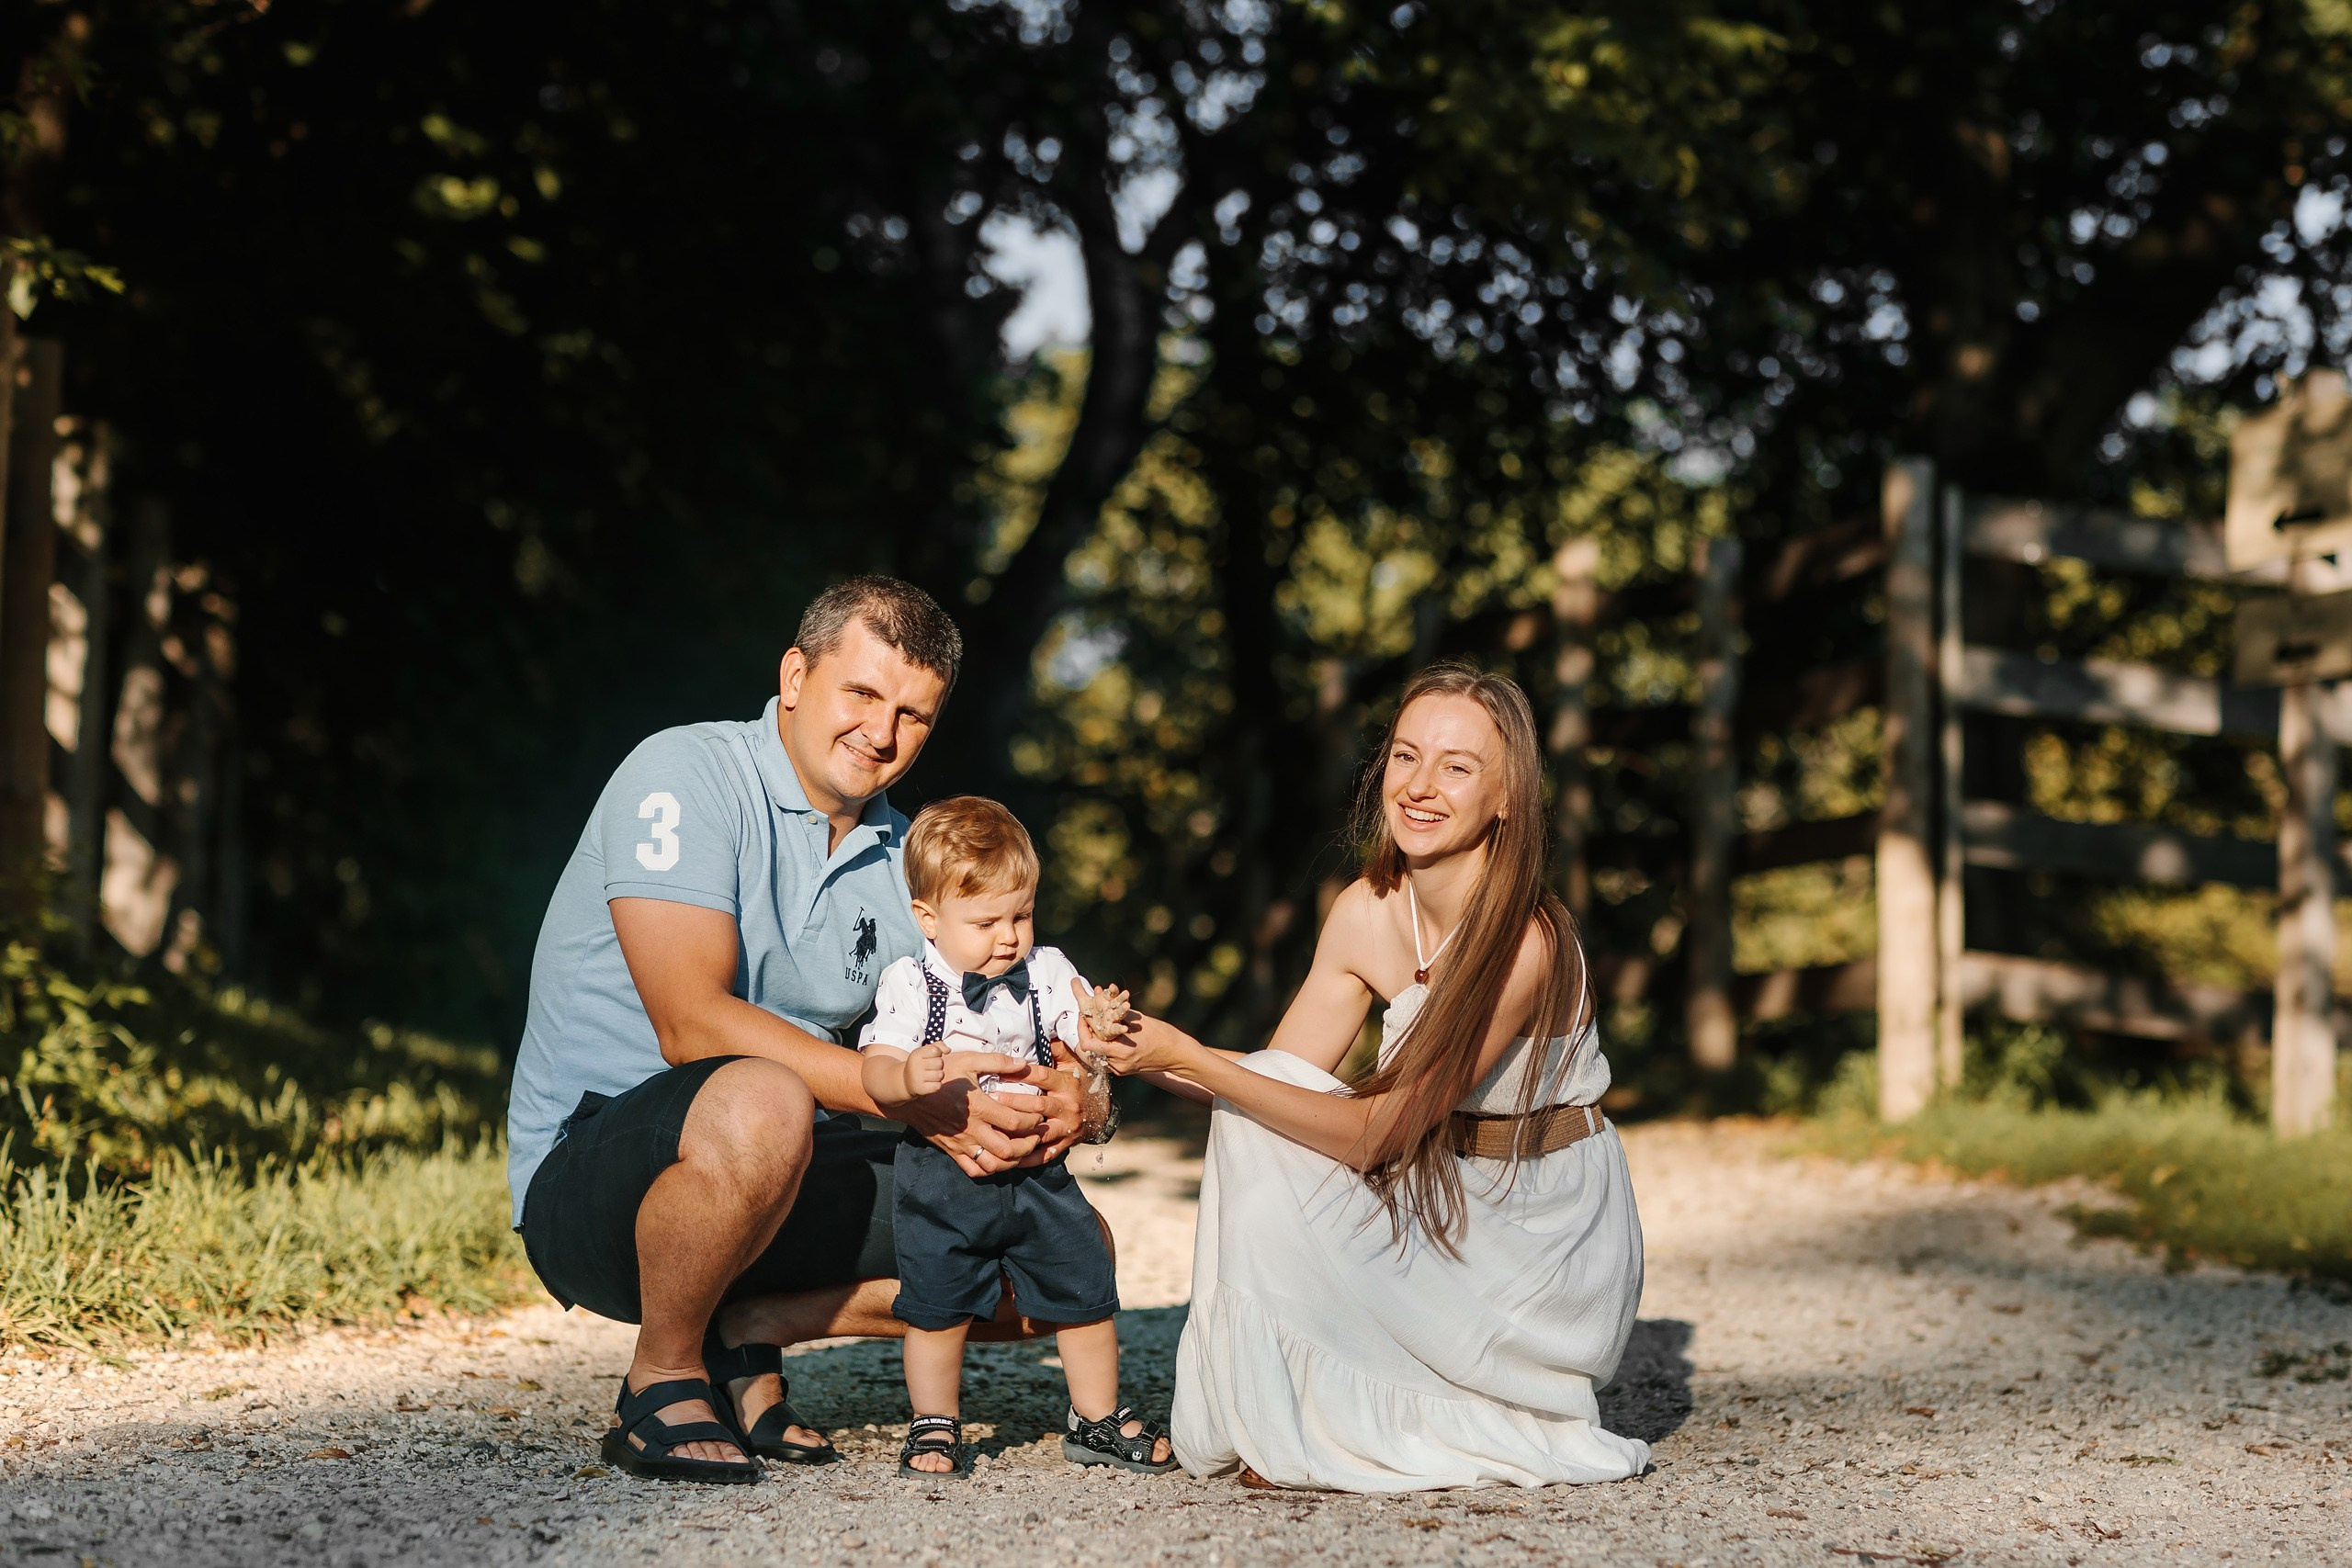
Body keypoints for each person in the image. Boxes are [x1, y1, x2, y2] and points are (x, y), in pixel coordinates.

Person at [504, 576, 1098, 1484]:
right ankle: (665, 1373)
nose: (882, 733)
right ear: (794, 675)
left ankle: (753, 1328)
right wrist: (903, 1094)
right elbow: (689, 1022)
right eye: (861, 693)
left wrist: (1072, 1098)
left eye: (913, 714)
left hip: (778, 1174)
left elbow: (1017, 1012)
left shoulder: (907, 862)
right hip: (600, 1180)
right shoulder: (684, 774)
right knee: (763, 1095)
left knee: (1058, 1248)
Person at [1094, 662, 1650, 1492]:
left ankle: (1355, 1420)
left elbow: (1380, 1134)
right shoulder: (1366, 909)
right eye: (1405, 756)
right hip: (1444, 1188)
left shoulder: (1524, 941)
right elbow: (1274, 1077)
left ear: (1507, 798)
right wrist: (1130, 1045)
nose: (1420, 787)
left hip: (1540, 1233)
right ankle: (1284, 1409)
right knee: (1259, 1114)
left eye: (1457, 767)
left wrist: (1188, 1053)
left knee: (1269, 1110)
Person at [858, 795, 1177, 1478]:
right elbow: (876, 1068)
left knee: (1083, 1283)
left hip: (1037, 1167)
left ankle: (1095, 1417)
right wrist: (907, 1074)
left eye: (1021, 914)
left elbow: (1079, 1032)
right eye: (986, 921)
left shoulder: (1047, 969)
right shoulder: (910, 983)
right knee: (937, 1303)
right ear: (928, 919)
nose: (1008, 935)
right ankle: (935, 1422)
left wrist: (1099, 1024)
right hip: (944, 1172)